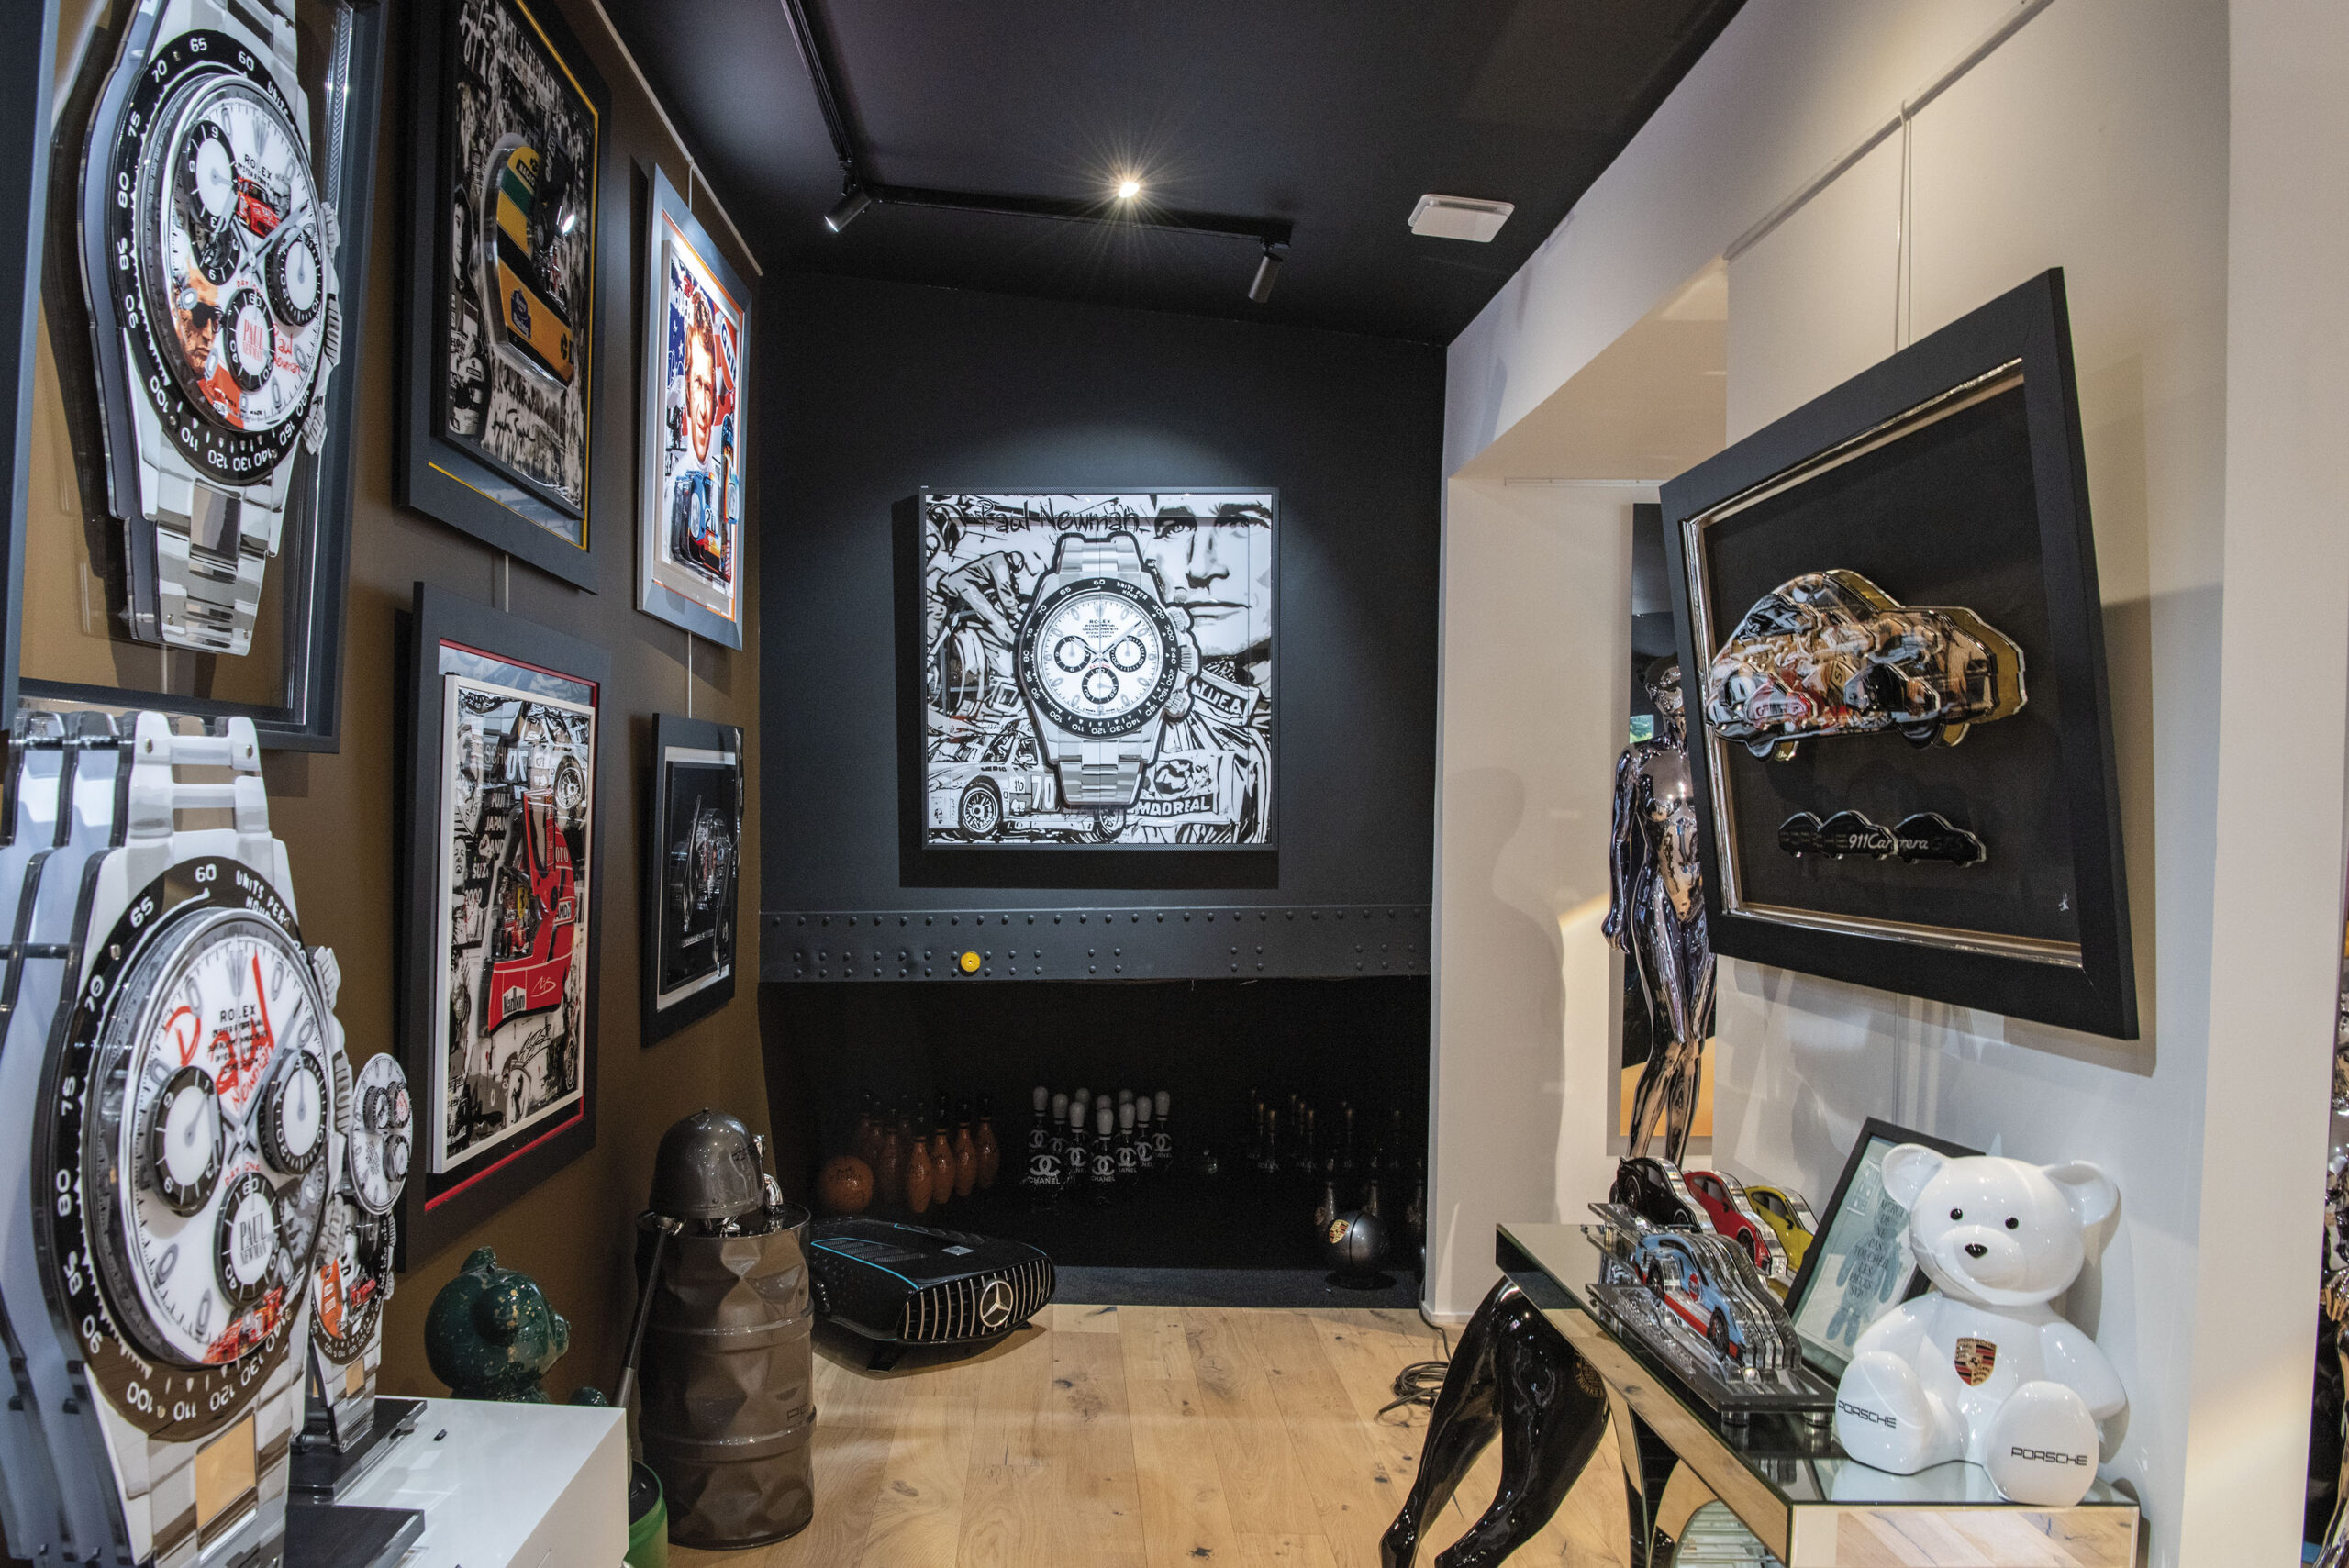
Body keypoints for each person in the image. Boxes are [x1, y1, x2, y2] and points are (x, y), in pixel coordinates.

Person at [1605, 658, 1714, 1162]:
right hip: (1657, 899)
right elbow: (1620, 839)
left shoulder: (1712, 758)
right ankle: (1633, 1171)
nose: (1677, 694)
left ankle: (1674, 1175)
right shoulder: (1639, 760)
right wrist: (1617, 907)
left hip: (1705, 907)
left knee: (1694, 1049)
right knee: (1671, 1040)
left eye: (1683, 683)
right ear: (1655, 697)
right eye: (1666, 687)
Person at [666, 287, 734, 582]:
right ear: (687, 393)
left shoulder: (720, 478)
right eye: (697, 384)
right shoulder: (674, 481)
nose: (704, 409)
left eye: (708, 388)